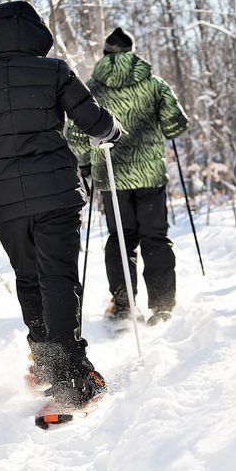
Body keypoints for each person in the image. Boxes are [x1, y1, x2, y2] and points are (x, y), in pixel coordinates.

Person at [0, 1, 120, 407]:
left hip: (4, 202)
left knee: (29, 278)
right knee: (58, 278)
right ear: (35, 33)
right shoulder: (54, 72)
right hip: (56, 195)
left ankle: (47, 364)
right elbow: (93, 122)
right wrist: (110, 130)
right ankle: (71, 379)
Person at [68, 27, 189, 326]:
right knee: (155, 238)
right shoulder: (154, 85)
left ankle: (123, 304)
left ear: (106, 54)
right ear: (132, 52)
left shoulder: (91, 89)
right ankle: (161, 307)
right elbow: (176, 126)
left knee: (120, 239)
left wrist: (84, 165)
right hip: (150, 176)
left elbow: (77, 135)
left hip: (112, 178)